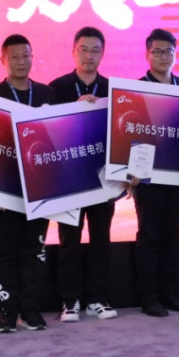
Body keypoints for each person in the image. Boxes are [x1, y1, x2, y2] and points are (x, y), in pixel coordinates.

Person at [0, 34, 56, 333]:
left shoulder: (48, 94)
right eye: (14, 56)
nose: (20, 61)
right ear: (3, 60)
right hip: (5, 189)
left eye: (25, 56)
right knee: (5, 252)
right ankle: (8, 311)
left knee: (34, 250)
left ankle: (30, 309)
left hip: (39, 188)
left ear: (32, 58)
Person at [49, 26, 118, 322]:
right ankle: (70, 300)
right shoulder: (57, 88)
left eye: (95, 50)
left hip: (104, 177)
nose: (89, 55)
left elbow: (121, 132)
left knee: (101, 238)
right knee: (69, 240)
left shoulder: (113, 89)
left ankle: (97, 298)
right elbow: (47, 132)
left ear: (102, 54)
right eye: (84, 49)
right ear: (74, 51)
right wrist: (71, 110)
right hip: (69, 178)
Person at [132, 29, 179, 317]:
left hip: (178, 175)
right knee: (149, 236)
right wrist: (130, 170)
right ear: (147, 54)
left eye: (168, 51)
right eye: (157, 51)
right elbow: (127, 132)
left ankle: (169, 293)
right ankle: (148, 297)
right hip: (148, 177)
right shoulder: (136, 89)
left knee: (172, 234)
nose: (163, 57)